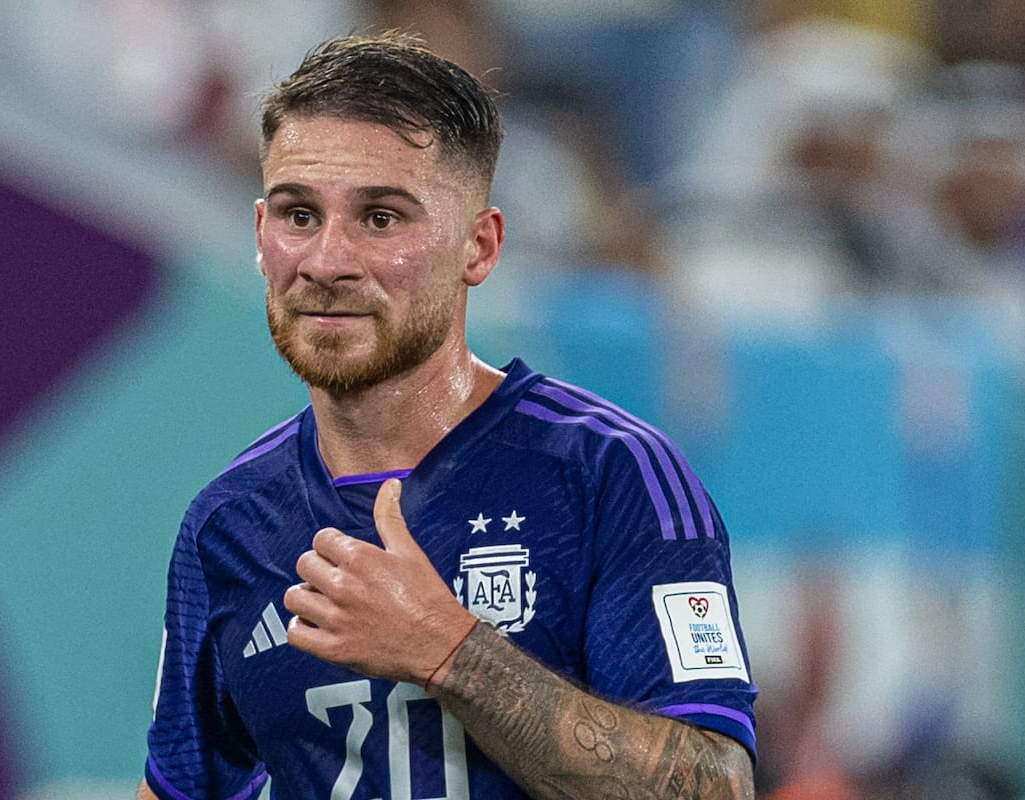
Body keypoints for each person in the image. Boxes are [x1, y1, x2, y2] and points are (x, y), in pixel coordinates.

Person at [140, 31, 757, 800]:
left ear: (479, 246)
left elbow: (714, 787)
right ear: (261, 236)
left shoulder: (609, 474)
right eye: (300, 215)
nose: (327, 261)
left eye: (381, 218)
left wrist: (449, 649)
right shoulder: (228, 523)